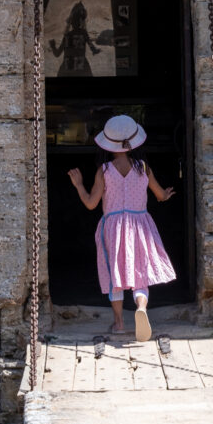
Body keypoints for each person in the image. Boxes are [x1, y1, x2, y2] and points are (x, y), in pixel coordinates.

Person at [67, 115, 177, 341]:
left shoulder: (104, 171)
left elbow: (90, 204)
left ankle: (118, 324)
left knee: (113, 273)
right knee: (140, 272)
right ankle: (141, 308)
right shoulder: (143, 168)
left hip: (113, 228)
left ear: (108, 144)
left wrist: (78, 185)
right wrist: (166, 194)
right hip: (140, 226)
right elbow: (159, 195)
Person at [49, 1, 101, 77]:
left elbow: (57, 54)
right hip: (82, 69)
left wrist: (53, 46)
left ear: (71, 22)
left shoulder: (67, 36)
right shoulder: (83, 34)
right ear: (81, 22)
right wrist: (96, 50)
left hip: (67, 70)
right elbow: (92, 48)